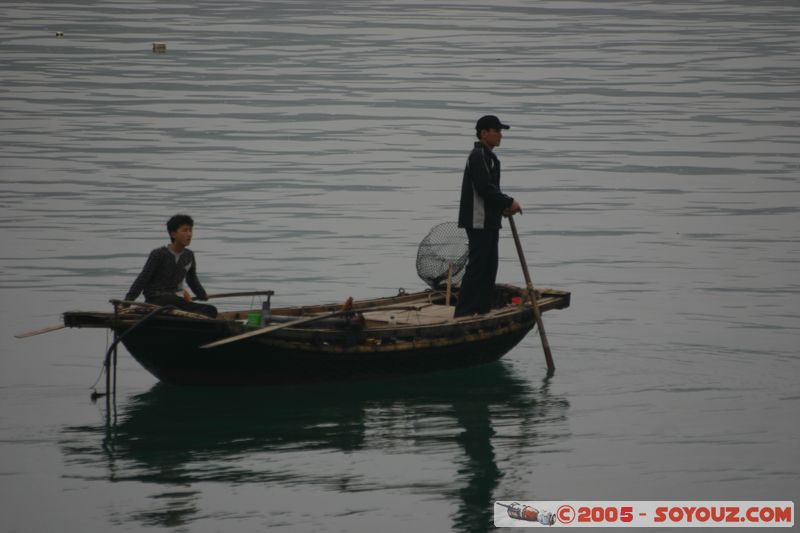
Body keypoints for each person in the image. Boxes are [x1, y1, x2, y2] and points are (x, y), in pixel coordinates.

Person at [454, 115, 521, 318]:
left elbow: (489, 191)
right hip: (478, 221)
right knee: (478, 266)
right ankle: (464, 312)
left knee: (490, 267)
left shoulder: (489, 157)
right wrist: (508, 202)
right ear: (484, 133)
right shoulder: (478, 155)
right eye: (497, 131)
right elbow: (484, 188)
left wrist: (502, 209)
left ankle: (481, 308)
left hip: (489, 220)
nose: (501, 135)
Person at [124, 214, 218, 317]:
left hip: (176, 300)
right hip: (156, 299)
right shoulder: (159, 254)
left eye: (190, 230)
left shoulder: (189, 255)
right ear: (173, 234)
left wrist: (202, 294)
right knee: (174, 302)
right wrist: (127, 303)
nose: (189, 234)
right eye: (185, 230)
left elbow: (192, 279)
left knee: (211, 310)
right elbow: (142, 279)